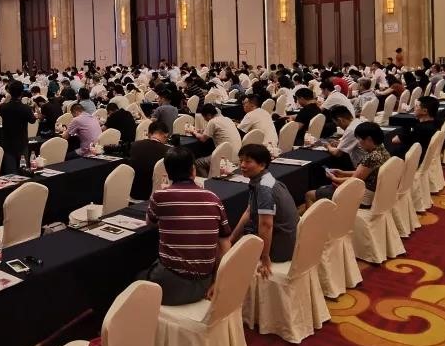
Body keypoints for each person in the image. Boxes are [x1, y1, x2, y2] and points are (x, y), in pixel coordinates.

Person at [141, 146, 232, 305]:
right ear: (193, 170)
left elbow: (150, 224)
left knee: (133, 279)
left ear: (168, 173)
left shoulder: (160, 196)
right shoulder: (213, 198)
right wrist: (217, 281)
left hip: (169, 285)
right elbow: (225, 244)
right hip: (206, 283)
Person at [232, 143, 299, 276]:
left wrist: (265, 257)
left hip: (280, 248)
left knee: (231, 256)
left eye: (248, 161)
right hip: (289, 239)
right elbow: (249, 210)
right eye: (241, 161)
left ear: (262, 165)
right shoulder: (266, 179)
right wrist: (232, 238)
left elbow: (266, 225)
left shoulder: (264, 188)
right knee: (233, 241)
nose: (242, 165)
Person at [313, 122, 392, 208]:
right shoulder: (382, 150)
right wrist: (342, 172)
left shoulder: (372, 157)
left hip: (364, 197)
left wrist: (334, 178)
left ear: (369, 139)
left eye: (359, 139)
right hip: (376, 192)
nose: (358, 143)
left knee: (310, 195)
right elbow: (363, 173)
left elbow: (354, 181)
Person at [0, 81, 36, 173]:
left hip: (7, 142)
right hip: (21, 142)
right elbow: (33, 120)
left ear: (9, 92)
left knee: (10, 173)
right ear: (22, 92)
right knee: (23, 171)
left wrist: (7, 98)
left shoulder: (3, 107)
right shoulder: (26, 108)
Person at [129, 121, 170, 200]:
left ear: (149, 134)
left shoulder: (134, 145)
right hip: (156, 195)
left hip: (133, 192)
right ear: (165, 135)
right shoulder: (168, 151)